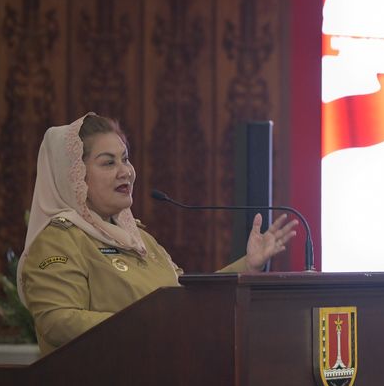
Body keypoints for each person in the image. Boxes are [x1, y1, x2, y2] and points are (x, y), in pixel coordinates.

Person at [18, 113, 297, 356]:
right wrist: (147, 324)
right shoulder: (59, 240)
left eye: (125, 159)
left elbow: (185, 300)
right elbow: (57, 321)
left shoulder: (137, 237)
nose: (125, 172)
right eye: (108, 163)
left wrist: (247, 264)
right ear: (74, 176)